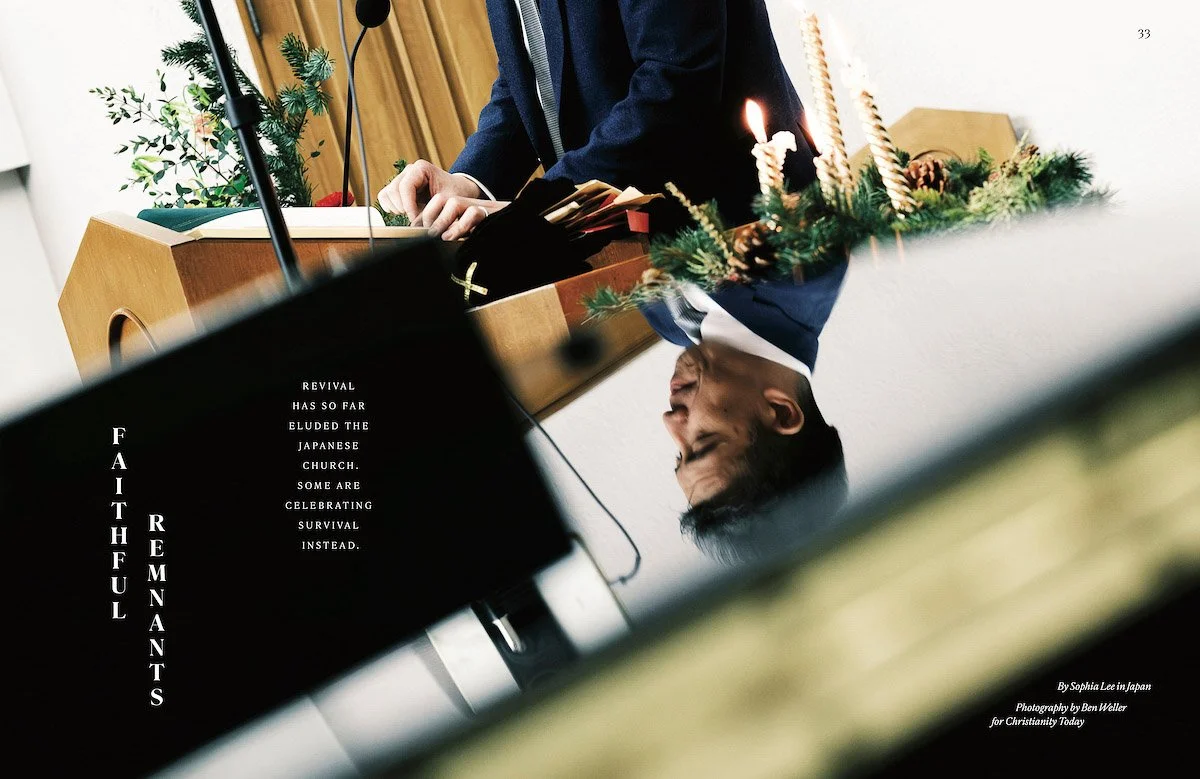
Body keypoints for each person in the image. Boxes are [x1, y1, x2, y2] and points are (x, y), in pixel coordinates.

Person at [377, 1, 817, 240]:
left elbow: (676, 80)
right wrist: (469, 182)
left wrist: (541, 206)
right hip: (642, 241)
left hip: (749, 224)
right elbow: (526, 81)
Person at [644, 261, 849, 563]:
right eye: (704, 441)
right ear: (780, 412)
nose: (671, 422)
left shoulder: (669, 324)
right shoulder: (801, 270)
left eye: (681, 454)